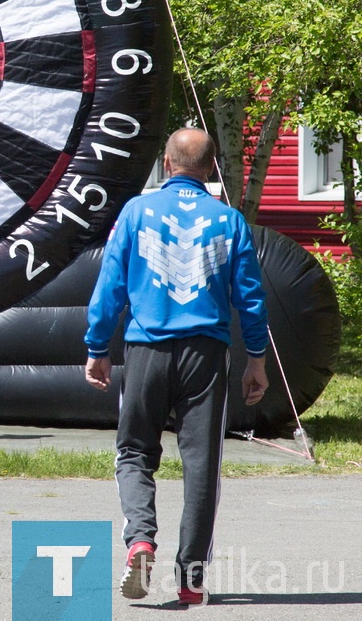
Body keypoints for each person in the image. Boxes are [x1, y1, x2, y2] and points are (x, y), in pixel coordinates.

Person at [84, 128, 269, 606]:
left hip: (146, 348)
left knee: (134, 452)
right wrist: (256, 359)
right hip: (206, 354)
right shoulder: (229, 220)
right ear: (211, 169)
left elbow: (111, 287)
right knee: (202, 464)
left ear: (166, 163)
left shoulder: (135, 212)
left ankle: (141, 539)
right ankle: (190, 578)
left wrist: (97, 347)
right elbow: (249, 298)